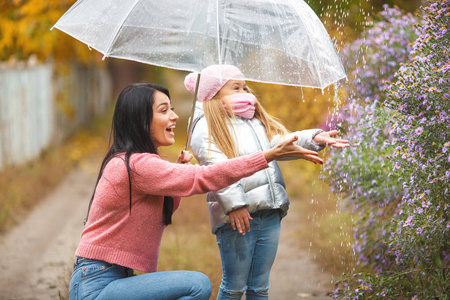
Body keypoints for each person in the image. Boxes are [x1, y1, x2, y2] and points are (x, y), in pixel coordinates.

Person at [68, 82, 324, 300]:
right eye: (164, 110)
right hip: (97, 284)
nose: (174, 116)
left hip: (110, 278)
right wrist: (267, 156)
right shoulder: (135, 165)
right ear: (141, 120)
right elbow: (205, 177)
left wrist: (176, 179)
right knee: (197, 285)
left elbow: (163, 208)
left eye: (173, 108)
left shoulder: (138, 163)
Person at [185, 65, 350, 300]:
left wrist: (312, 138)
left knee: (260, 287)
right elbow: (216, 169)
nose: (244, 92)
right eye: (235, 87)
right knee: (234, 287)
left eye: (244, 86)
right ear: (214, 93)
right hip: (237, 216)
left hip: (269, 211)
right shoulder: (206, 127)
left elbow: (279, 143)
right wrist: (235, 204)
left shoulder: (253, 120)